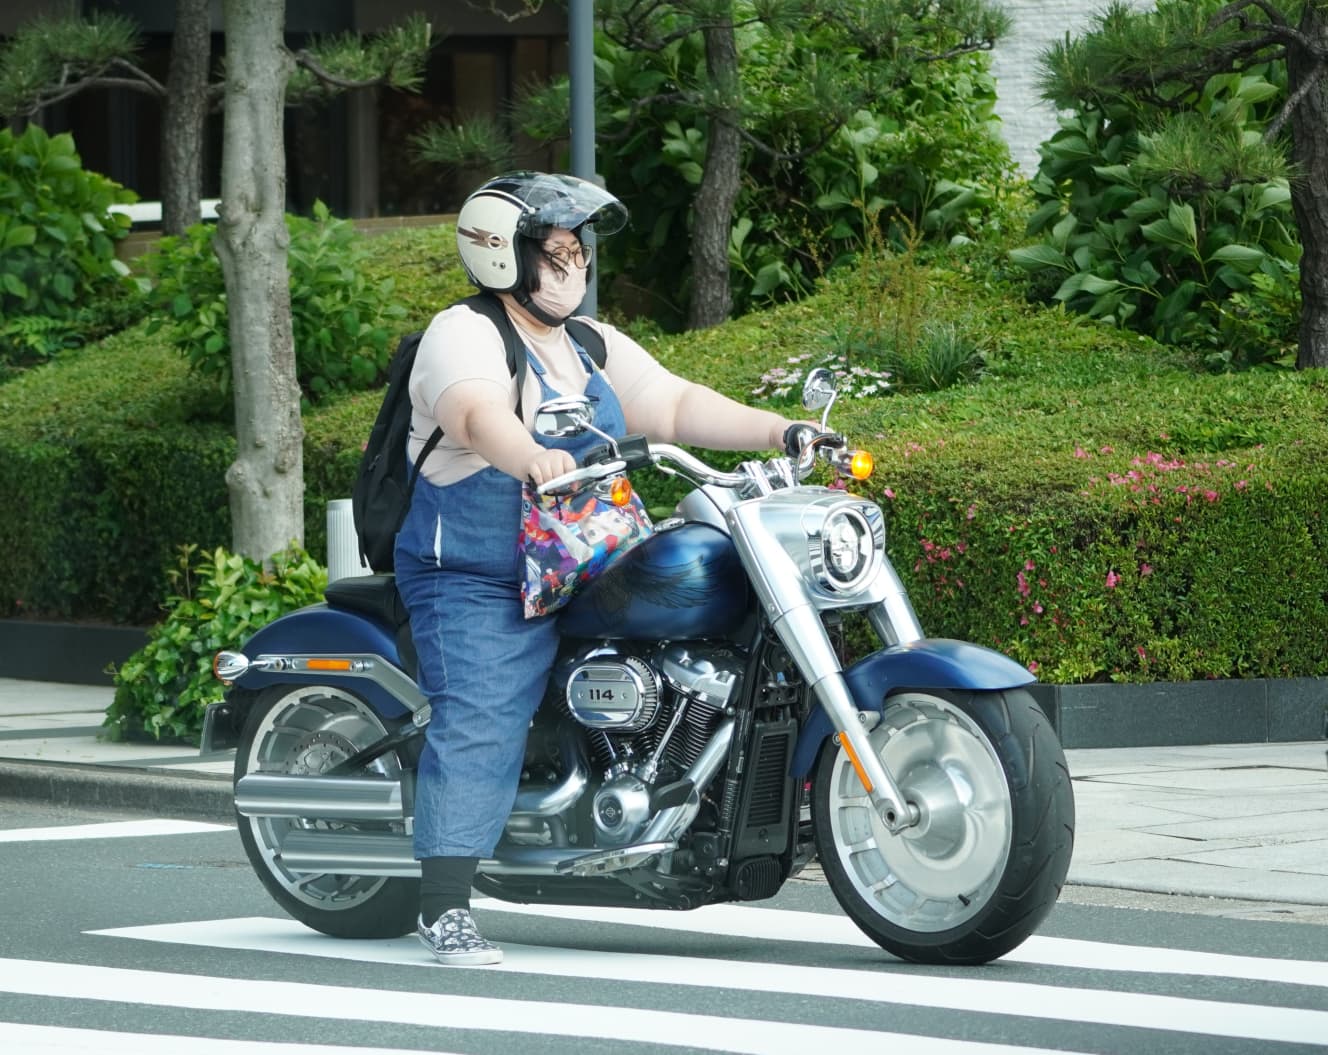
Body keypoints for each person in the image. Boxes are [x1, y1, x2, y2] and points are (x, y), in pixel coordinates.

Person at [394, 171, 803, 967]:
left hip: (590, 554)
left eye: (579, 251)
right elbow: (474, 413)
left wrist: (781, 431)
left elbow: (675, 404)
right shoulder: (464, 332)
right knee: (483, 710)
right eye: (555, 252)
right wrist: (530, 454)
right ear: (504, 255)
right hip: (482, 574)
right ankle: (444, 905)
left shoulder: (588, 342)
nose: (574, 266)